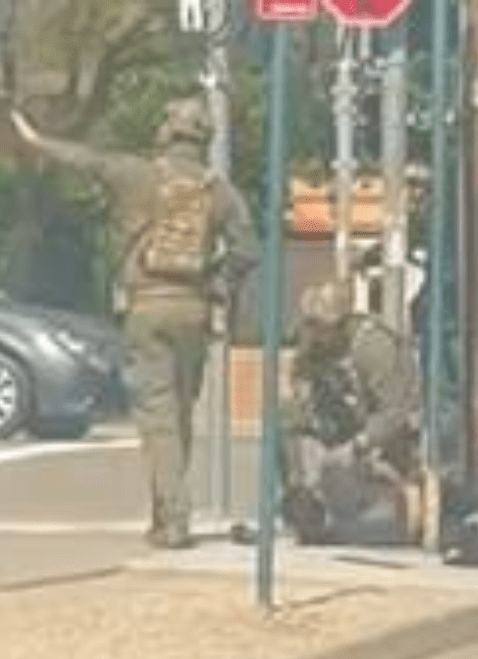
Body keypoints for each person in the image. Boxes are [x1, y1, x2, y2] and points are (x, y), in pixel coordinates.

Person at [11, 100, 258, 549]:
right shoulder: (218, 191)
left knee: (158, 417)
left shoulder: (134, 174)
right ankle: (168, 511)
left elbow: (82, 159)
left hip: (146, 308)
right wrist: (217, 283)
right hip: (195, 311)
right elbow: (246, 250)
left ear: (168, 132)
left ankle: (173, 518)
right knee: (180, 414)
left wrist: (29, 133)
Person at [281, 280, 423, 545]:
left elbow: (396, 411)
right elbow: (301, 395)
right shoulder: (313, 347)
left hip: (386, 441)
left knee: (377, 522)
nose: (314, 334)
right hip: (340, 429)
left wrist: (359, 445)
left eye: (321, 327)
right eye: (310, 325)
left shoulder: (373, 345)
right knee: (286, 419)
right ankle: (309, 506)